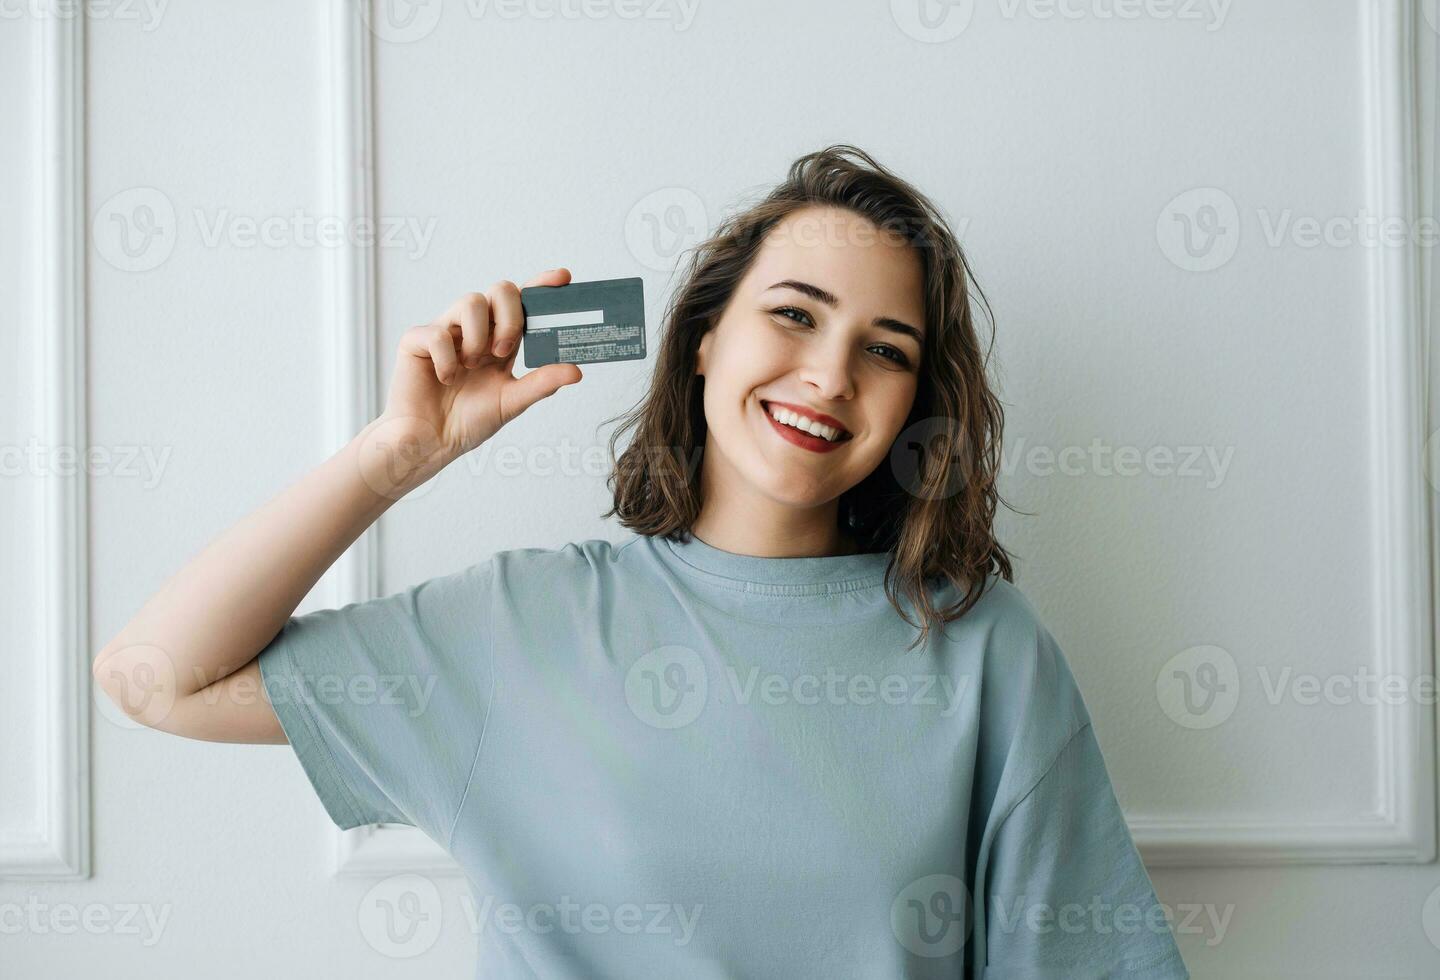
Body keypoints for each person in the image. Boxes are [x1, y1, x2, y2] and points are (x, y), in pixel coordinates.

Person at [94, 144, 1189, 978]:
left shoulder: (982, 646)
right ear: (705, 335)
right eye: (794, 315)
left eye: (884, 349)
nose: (829, 374)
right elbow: (155, 676)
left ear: (916, 399)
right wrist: (397, 457)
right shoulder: (522, 624)